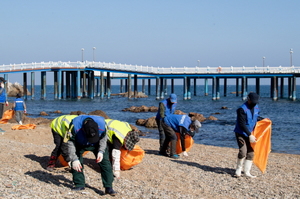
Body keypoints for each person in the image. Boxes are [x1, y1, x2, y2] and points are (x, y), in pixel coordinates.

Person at [61, 115, 117, 196]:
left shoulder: (102, 123)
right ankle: (79, 184)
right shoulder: (74, 126)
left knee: (105, 163)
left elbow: (103, 138)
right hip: (79, 143)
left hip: (97, 144)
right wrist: (74, 159)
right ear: (83, 129)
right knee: (76, 163)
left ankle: (109, 187)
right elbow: (70, 143)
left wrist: (101, 151)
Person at [234, 92, 264, 178]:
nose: (254, 103)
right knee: (243, 151)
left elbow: (256, 117)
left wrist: (264, 120)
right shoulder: (242, 109)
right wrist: (249, 135)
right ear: (248, 99)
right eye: (252, 101)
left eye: (255, 102)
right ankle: (238, 169)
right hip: (241, 133)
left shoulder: (256, 107)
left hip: (251, 133)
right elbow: (242, 123)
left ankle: (247, 172)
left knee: (251, 153)